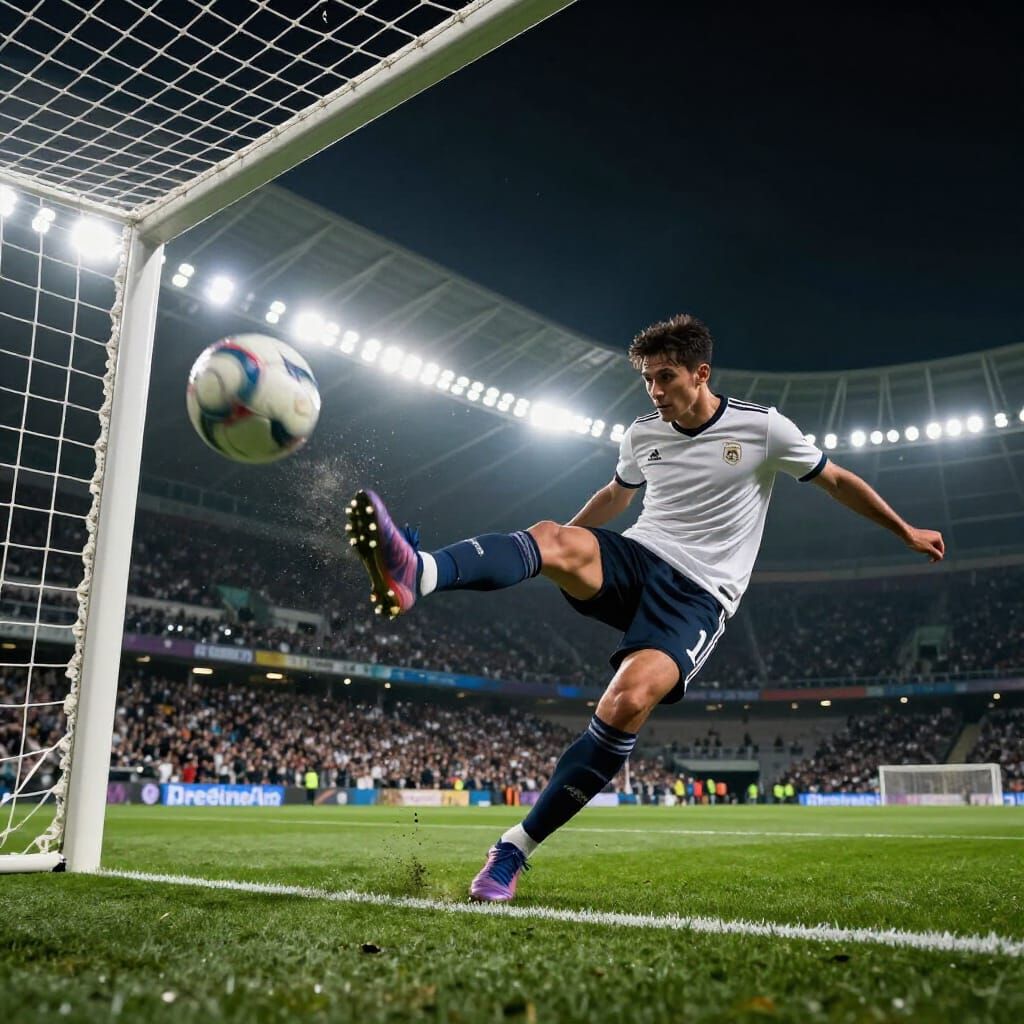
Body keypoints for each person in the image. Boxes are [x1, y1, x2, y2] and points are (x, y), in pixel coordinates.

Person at [347, 313, 944, 902]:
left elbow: (835, 479)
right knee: (551, 534)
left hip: (700, 596)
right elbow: (615, 495)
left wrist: (905, 532)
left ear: (700, 373)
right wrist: (550, 552)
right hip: (639, 556)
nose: (655, 391)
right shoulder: (641, 434)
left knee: (626, 701)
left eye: (666, 378)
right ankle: (417, 574)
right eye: (648, 381)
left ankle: (512, 850)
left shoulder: (763, 429)